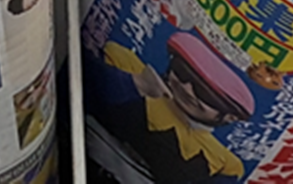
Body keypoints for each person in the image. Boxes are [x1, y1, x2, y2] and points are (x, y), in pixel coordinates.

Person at [101, 30, 253, 180]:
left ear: (230, 117)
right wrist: (137, 84)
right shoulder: (127, 65)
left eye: (203, 93)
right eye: (182, 72)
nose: (186, 88)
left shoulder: (225, 163)